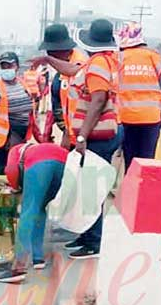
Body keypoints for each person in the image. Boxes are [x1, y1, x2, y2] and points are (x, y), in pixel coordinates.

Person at [32, 19, 125, 259]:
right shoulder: (96, 63)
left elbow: (98, 100)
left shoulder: (98, 65)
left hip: (97, 136)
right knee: (87, 189)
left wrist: (81, 135)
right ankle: (87, 236)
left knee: (92, 190)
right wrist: (48, 60)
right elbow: (73, 71)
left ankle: (93, 243)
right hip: (96, 135)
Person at [0, 142, 69, 284]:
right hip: (64, 164)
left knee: (28, 210)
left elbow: (11, 171)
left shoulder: (14, 151)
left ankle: (18, 267)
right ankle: (37, 258)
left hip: (40, 164)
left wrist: (16, 187)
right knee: (40, 207)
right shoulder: (33, 147)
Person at [115, 21, 161, 170]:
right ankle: (144, 192)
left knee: (130, 161)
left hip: (126, 117)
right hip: (151, 118)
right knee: (147, 161)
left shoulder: (119, 58)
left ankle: (129, 190)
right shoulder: (153, 56)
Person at [0, 52, 36, 175]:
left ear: (17, 66)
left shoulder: (23, 85)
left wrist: (39, 136)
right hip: (3, 141)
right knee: (4, 173)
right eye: (4, 66)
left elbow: (30, 112)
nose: (7, 69)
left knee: (17, 173)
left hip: (21, 137)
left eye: (10, 65)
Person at [37, 24, 87, 148]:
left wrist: (78, 138)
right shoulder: (59, 73)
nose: (49, 55)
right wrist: (52, 130)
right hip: (70, 132)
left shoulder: (79, 65)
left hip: (83, 134)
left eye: (50, 53)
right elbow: (56, 103)